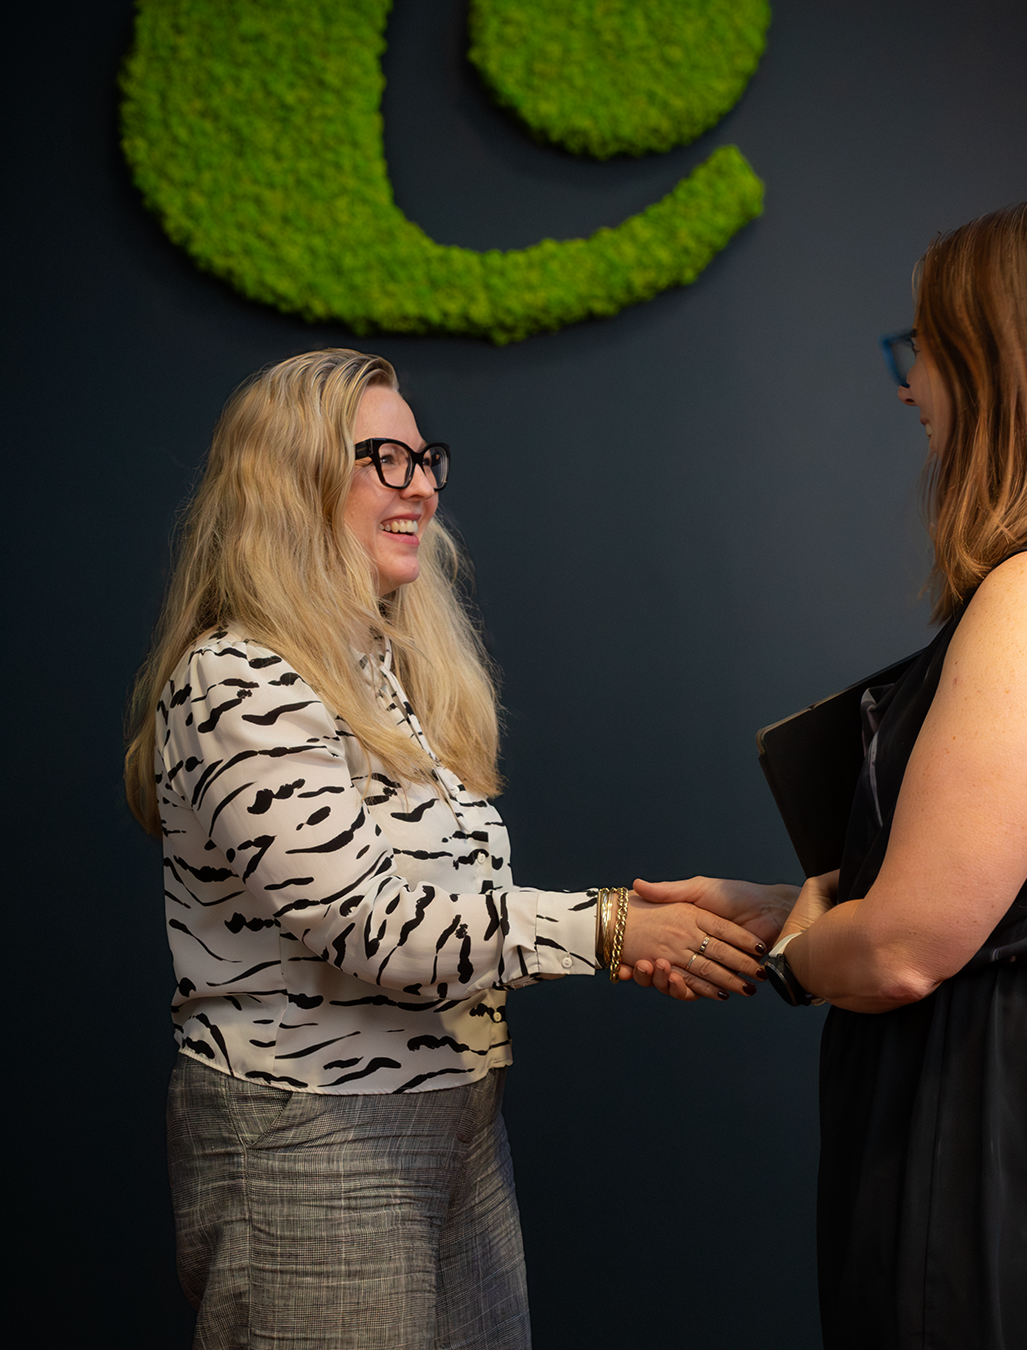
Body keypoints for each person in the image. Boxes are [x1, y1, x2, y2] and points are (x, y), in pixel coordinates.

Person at [124, 348, 790, 1350]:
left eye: (425, 458)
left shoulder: (384, 670)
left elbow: (450, 912)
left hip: (458, 1119)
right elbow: (372, 925)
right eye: (383, 459)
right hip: (318, 1138)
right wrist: (612, 928)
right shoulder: (241, 679)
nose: (423, 484)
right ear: (288, 477)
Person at [643, 197, 1027, 1347]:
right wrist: (767, 910)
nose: (907, 387)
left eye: (924, 349)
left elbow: (900, 950)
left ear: (1000, 365)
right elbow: (998, 902)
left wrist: (794, 951)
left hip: (993, 1129)